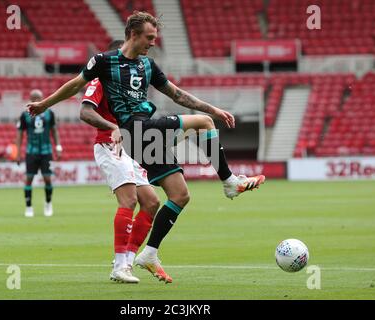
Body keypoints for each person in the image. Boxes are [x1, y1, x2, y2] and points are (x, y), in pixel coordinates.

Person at [27, 11, 265, 283]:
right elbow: (74, 86)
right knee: (203, 123)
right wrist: (44, 104)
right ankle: (230, 182)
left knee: (180, 195)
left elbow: (177, 94)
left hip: (144, 138)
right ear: (133, 34)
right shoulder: (104, 62)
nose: (153, 42)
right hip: (134, 131)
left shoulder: (148, 65)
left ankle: (149, 253)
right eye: (149, 37)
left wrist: (215, 107)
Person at [79, 40, 160, 284]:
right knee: (129, 200)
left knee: (152, 202)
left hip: (129, 148)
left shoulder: (129, 84)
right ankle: (119, 266)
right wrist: (112, 126)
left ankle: (127, 262)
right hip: (109, 145)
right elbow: (85, 111)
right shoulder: (101, 78)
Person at [16, 89, 62, 218]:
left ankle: (48, 204)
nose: (36, 100)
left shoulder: (50, 113)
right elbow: (19, 134)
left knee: (47, 179)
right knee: (28, 179)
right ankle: (29, 207)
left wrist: (58, 147)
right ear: (30, 99)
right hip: (31, 151)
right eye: (34, 98)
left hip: (46, 151)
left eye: (39, 98)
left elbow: (54, 131)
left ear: (42, 98)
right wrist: (18, 152)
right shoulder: (24, 115)